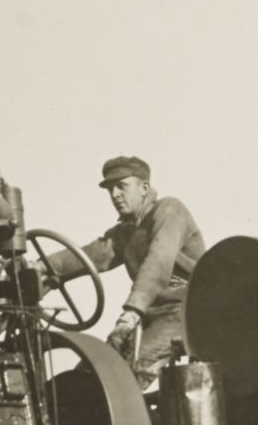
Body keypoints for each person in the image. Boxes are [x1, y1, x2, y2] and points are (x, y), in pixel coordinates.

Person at [38, 155, 206, 386]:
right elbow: (90, 256)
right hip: (148, 316)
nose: (114, 195)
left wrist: (130, 314)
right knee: (92, 369)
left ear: (144, 187)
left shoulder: (169, 211)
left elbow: (158, 263)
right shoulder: (125, 232)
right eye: (110, 189)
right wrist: (41, 266)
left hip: (184, 312)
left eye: (121, 186)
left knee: (125, 374)